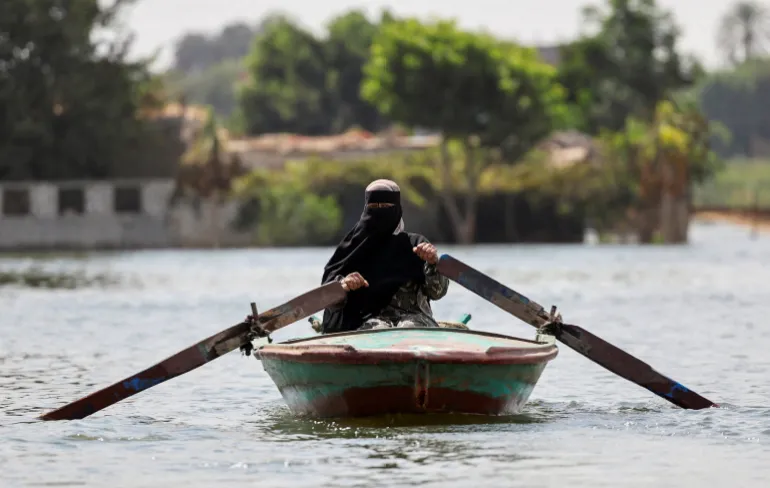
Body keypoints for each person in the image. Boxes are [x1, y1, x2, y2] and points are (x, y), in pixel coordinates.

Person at [319, 179, 449, 334]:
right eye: (374, 207)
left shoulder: (416, 245)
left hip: (415, 319)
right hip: (367, 322)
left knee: (408, 328)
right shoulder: (351, 249)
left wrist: (433, 263)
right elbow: (326, 298)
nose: (379, 212)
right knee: (378, 331)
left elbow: (437, 293)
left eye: (386, 207)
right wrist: (344, 285)